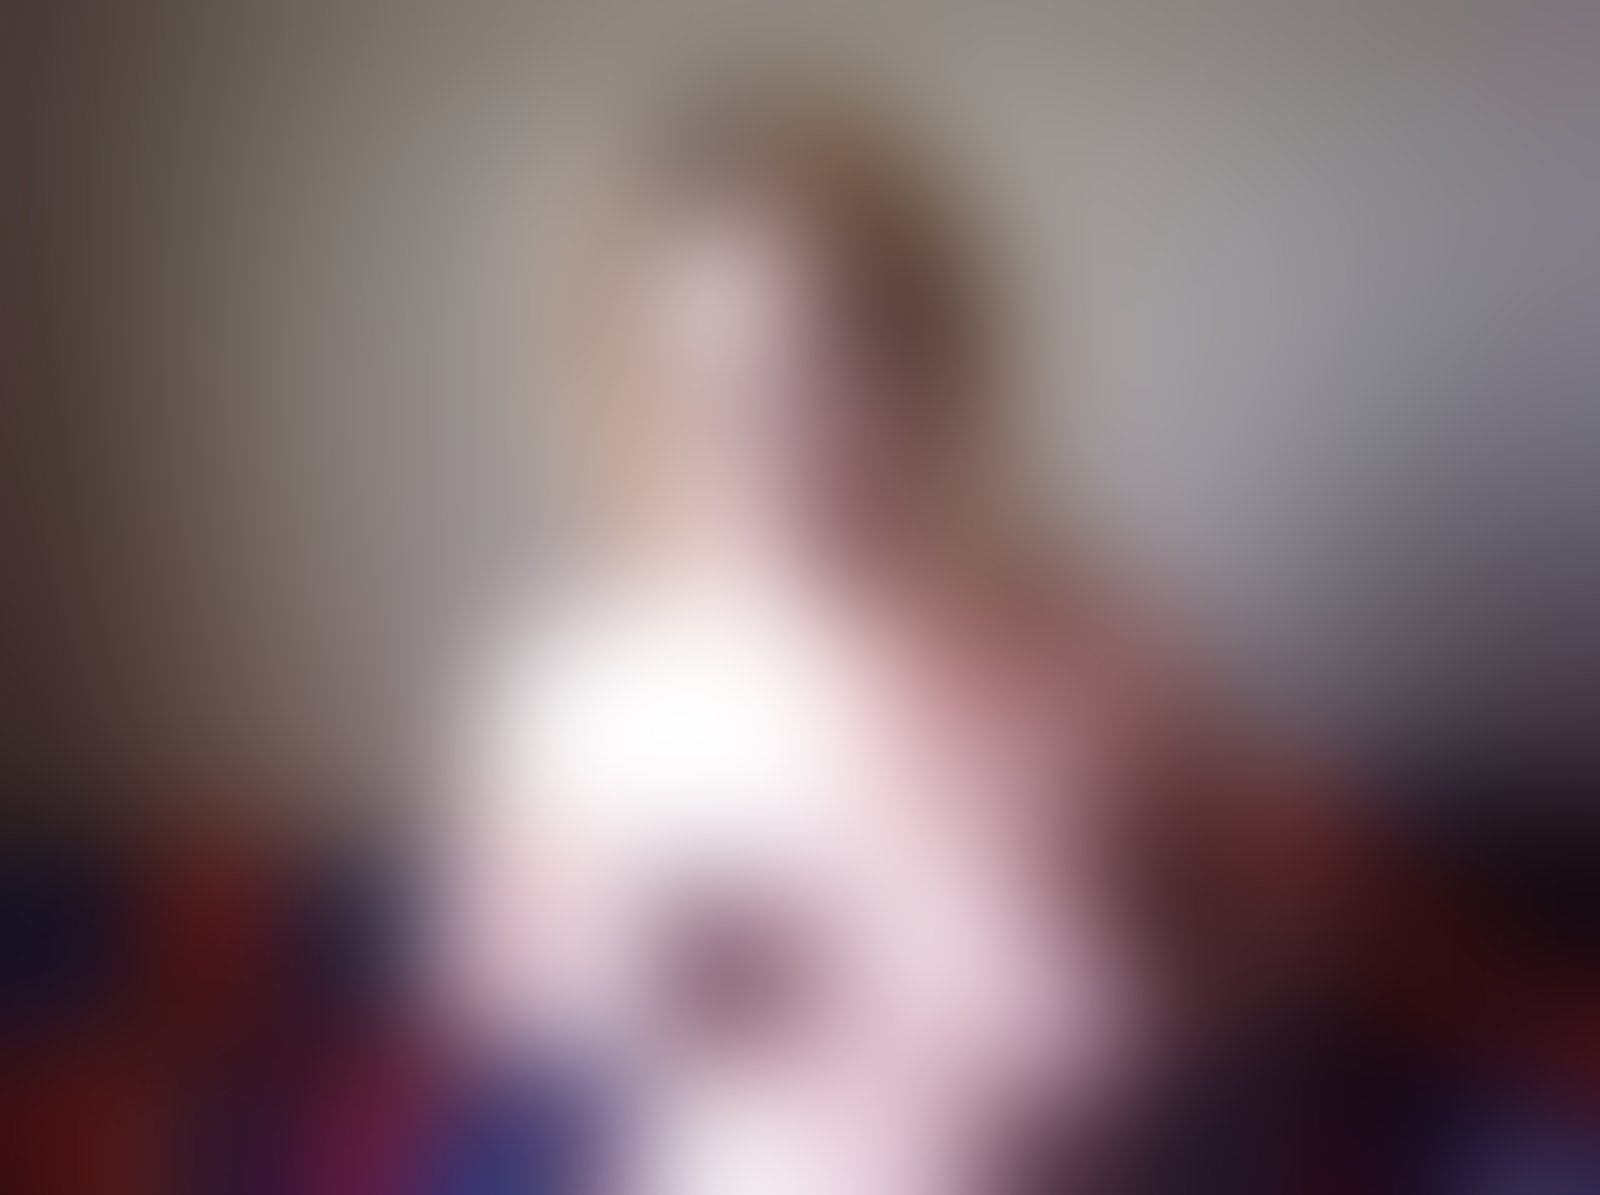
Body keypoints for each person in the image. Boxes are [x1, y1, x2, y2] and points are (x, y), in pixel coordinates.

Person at [423, 93, 1330, 1195]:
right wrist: (613, 974)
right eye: (700, 391)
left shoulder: (1100, 648)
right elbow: (498, 970)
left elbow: (1267, 933)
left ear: (935, 365)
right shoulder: (588, 683)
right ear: (625, 405)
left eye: (826, 369)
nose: (773, 445)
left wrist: (1145, 968)